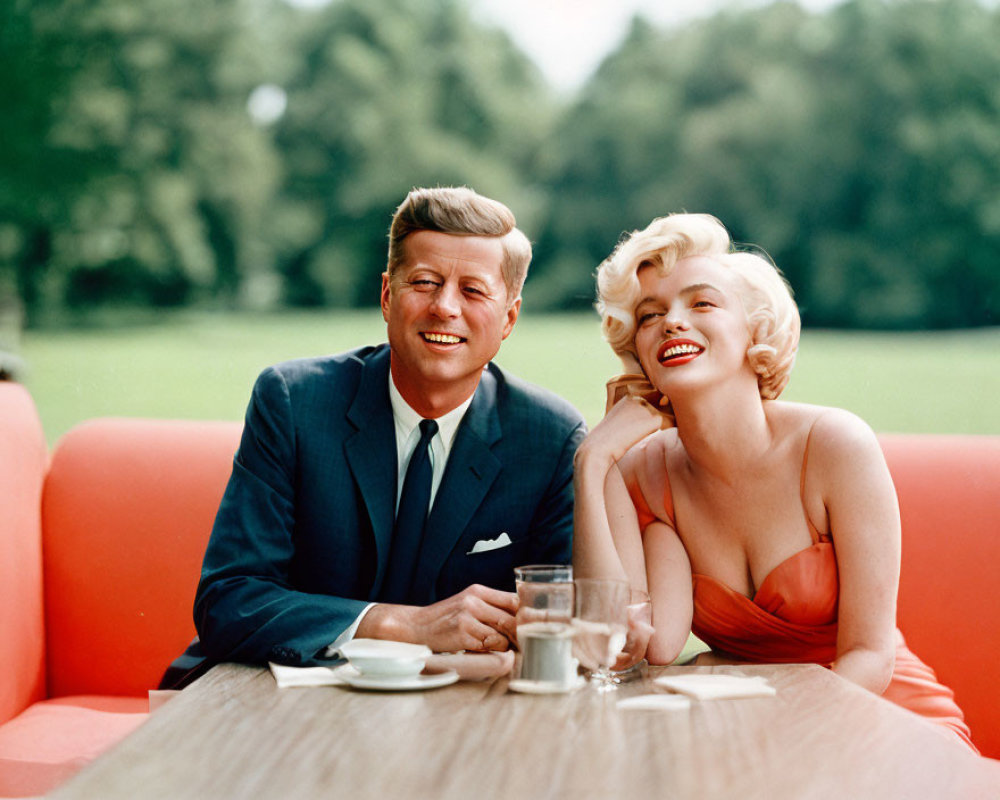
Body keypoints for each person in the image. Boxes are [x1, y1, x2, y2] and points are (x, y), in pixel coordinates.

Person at [572, 213, 976, 751]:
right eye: (651, 315)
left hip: (880, 717)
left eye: (702, 303)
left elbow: (870, 656)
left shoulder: (835, 445)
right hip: (751, 730)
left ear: (755, 330)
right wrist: (593, 460)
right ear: (638, 355)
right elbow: (637, 644)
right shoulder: (640, 473)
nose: (672, 322)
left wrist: (775, 737)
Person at [161, 187, 585, 687]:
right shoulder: (294, 402)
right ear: (387, 296)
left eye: (473, 291)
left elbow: (564, 627)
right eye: (425, 282)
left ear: (509, 317)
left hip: (456, 708)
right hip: (277, 698)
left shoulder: (551, 438)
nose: (445, 307)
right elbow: (229, 600)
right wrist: (400, 624)